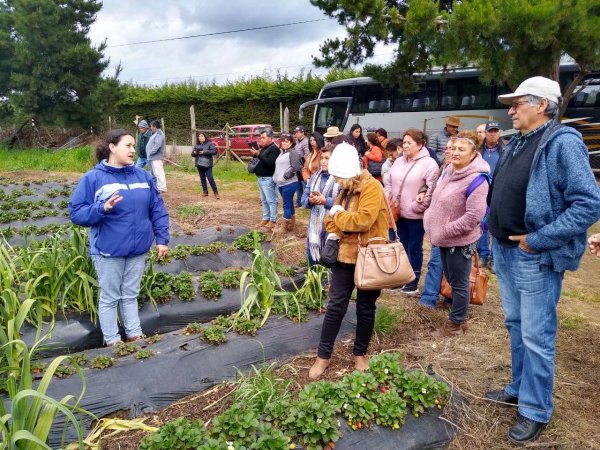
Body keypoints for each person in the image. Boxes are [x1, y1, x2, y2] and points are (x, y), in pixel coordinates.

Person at [485, 76, 600, 444]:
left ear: (542, 106)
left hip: (533, 256)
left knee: (536, 335)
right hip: (504, 250)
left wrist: (538, 240)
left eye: (518, 103)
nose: (510, 109)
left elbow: (587, 204)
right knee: (516, 325)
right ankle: (519, 388)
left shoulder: (563, 144)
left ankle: (535, 409)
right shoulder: (517, 141)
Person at [68, 129, 170, 346]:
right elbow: (76, 212)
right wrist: (101, 208)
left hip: (138, 249)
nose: (133, 150)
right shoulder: (93, 178)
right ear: (112, 147)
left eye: (134, 146)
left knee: (130, 294)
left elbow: (157, 209)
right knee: (110, 297)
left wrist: (162, 239)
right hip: (108, 250)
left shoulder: (142, 176)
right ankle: (113, 341)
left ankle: (134, 335)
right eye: (128, 145)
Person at [308, 142, 389, 380]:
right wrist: (339, 216)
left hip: (370, 256)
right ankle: (323, 356)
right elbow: (330, 223)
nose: (337, 182)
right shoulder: (345, 189)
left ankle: (360, 354)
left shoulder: (372, 187)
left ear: (350, 172)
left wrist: (338, 214)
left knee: (366, 308)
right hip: (344, 256)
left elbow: (362, 221)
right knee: (335, 307)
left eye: (339, 177)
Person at [423, 130, 490, 335]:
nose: (456, 152)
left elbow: (474, 216)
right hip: (442, 238)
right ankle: (460, 319)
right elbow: (436, 197)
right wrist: (429, 218)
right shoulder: (448, 170)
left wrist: (446, 230)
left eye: (462, 149)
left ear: (473, 153)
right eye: (454, 148)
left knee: (459, 283)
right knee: (451, 279)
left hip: (459, 240)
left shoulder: (477, 179)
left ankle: (456, 323)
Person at [385, 128, 439, 295]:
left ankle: (412, 281)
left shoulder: (429, 164)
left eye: (409, 143)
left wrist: (418, 207)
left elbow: (431, 189)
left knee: (413, 248)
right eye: (404, 142)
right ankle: (398, 278)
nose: (405, 146)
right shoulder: (400, 161)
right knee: (397, 246)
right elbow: (389, 181)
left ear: (420, 144)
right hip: (396, 212)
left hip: (415, 215)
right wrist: (389, 198)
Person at [418, 138, 454, 309]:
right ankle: (429, 297)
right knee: (435, 261)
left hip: (453, 225)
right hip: (437, 224)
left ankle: (451, 297)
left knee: (453, 265)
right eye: (446, 148)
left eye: (451, 148)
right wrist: (423, 191)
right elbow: (432, 185)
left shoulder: (465, 172)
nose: (446, 151)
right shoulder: (444, 168)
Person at [301, 144, 340, 265]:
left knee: (329, 268)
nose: (323, 161)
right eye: (322, 158)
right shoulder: (314, 177)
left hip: (332, 231)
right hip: (314, 232)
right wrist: (310, 200)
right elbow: (303, 200)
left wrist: (325, 201)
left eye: (327, 158)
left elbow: (345, 206)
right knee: (313, 266)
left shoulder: (341, 180)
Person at [477, 120, 504, 268]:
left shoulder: (506, 149)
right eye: (490, 131)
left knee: (496, 226)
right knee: (482, 225)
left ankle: (494, 259)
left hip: (499, 193)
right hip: (481, 192)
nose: (493, 134)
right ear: (485, 133)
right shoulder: (478, 150)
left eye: (496, 131)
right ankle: (483, 255)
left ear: (499, 133)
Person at [273, 133, 303, 232]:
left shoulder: (293, 152)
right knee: (289, 203)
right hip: (281, 183)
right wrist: (276, 177)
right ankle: (291, 223)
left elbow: (295, 167)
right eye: (283, 141)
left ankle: (284, 226)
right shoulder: (282, 152)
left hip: (289, 183)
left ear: (291, 143)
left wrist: (285, 176)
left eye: (287, 141)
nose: (284, 143)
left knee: (286, 204)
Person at [251, 128, 281, 230]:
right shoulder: (264, 148)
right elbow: (261, 160)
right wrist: (256, 154)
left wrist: (259, 155)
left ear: (270, 138)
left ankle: (273, 220)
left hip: (268, 178)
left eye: (263, 138)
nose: (261, 140)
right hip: (261, 178)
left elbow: (270, 164)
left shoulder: (274, 149)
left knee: (271, 200)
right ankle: (265, 217)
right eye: (260, 138)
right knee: (264, 200)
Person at [191, 132, 219, 199]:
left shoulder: (210, 143)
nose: (200, 137)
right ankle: (205, 192)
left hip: (208, 164)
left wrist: (204, 152)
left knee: (210, 178)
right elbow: (192, 154)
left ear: (205, 137)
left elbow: (215, 151)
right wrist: (194, 153)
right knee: (202, 178)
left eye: (202, 136)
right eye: (199, 136)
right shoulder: (197, 145)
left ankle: (216, 192)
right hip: (199, 164)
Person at [146, 120, 167, 192]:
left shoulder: (158, 134)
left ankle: (162, 188)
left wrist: (151, 153)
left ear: (155, 127)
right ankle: (160, 187)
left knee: (159, 172)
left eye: (151, 126)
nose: (150, 127)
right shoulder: (155, 133)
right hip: (154, 157)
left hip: (156, 157)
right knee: (156, 173)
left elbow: (157, 145)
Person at [293, 125, 309, 207]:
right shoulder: (297, 141)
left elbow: (307, 154)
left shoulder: (306, 142)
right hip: (297, 166)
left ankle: (307, 201)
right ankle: (299, 201)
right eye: (295, 132)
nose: (296, 134)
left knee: (305, 184)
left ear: (302, 132)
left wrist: (304, 165)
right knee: (298, 184)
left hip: (303, 166)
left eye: (297, 132)